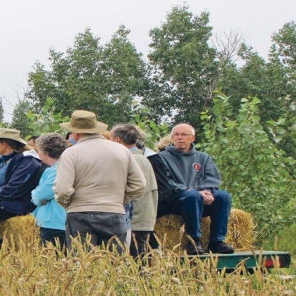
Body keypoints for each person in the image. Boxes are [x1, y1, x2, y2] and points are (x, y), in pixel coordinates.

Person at [54, 110, 146, 253]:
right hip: (114, 213)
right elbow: (140, 183)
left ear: (75, 133)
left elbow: (63, 189)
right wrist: (119, 200)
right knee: (113, 264)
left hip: (80, 214)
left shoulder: (72, 153)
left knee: (82, 264)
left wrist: (69, 204)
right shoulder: (122, 150)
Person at [156, 123, 234, 255]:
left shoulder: (203, 157)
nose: (180, 137)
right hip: (173, 200)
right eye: (176, 134)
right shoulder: (162, 157)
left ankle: (216, 242)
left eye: (184, 135)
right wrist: (193, 192)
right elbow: (166, 182)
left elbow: (212, 178)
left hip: (198, 199)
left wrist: (206, 191)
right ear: (172, 137)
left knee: (223, 196)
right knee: (192, 195)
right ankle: (194, 241)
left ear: (192, 138)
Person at [110, 124, 158, 257]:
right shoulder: (143, 158)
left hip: (135, 221)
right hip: (142, 220)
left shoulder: (130, 159)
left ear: (118, 140)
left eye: (110, 139)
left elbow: (128, 189)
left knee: (134, 262)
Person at [31, 133, 68, 248]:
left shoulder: (57, 170)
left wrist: (35, 194)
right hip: (56, 221)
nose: (37, 153)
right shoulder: (57, 168)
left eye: (39, 150)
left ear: (46, 153)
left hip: (54, 222)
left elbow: (39, 196)